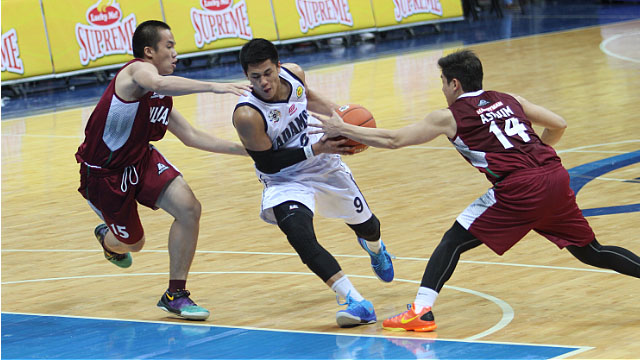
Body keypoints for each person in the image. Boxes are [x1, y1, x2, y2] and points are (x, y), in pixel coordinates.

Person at [311, 49, 640, 331]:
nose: (441, 88)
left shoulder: (448, 116)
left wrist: (344, 128)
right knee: (591, 251)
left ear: (455, 83)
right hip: (554, 176)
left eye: (442, 82)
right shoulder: (510, 99)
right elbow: (559, 123)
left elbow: (394, 140)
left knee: (453, 240)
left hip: (520, 189)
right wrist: (533, 155)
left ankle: (421, 311)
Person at [75, 20, 252, 321]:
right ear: (149, 51)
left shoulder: (161, 96)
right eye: (168, 46)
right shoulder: (135, 72)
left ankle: (175, 294)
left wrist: (248, 151)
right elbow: (156, 82)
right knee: (135, 243)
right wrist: (215, 86)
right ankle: (108, 238)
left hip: (141, 160)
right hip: (105, 176)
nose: (175, 53)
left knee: (189, 209)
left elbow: (192, 137)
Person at [232, 38, 394, 328]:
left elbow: (314, 100)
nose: (264, 82)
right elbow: (267, 162)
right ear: (246, 76)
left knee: (370, 227)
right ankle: (354, 301)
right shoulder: (247, 114)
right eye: (255, 77)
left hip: (323, 166)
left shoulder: (294, 74)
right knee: (299, 235)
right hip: (284, 176)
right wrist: (318, 147)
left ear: (278, 67)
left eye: (268, 73)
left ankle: (375, 249)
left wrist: (346, 124)